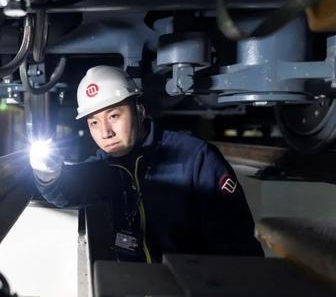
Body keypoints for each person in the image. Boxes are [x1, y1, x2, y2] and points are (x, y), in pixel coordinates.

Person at [30, 65, 263, 263]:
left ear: (139, 110)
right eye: (93, 122)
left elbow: (237, 250)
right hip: (141, 285)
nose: (105, 133)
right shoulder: (108, 166)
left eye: (114, 116)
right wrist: (48, 173)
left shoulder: (196, 158)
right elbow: (67, 191)